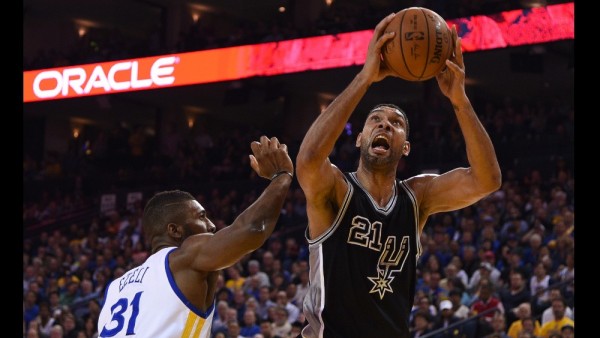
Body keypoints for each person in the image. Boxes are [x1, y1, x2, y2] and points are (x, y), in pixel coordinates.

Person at [295, 11, 501, 337]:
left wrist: (460, 102)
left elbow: (487, 180)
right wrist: (365, 77)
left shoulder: (417, 197)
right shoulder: (335, 190)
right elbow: (307, 161)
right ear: (360, 138)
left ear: (405, 147)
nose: (385, 124)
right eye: (375, 119)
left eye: (396, 123)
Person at [97, 135, 294, 337]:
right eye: (202, 217)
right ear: (174, 230)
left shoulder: (115, 288)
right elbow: (253, 228)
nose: (211, 225)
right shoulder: (185, 256)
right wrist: (283, 175)